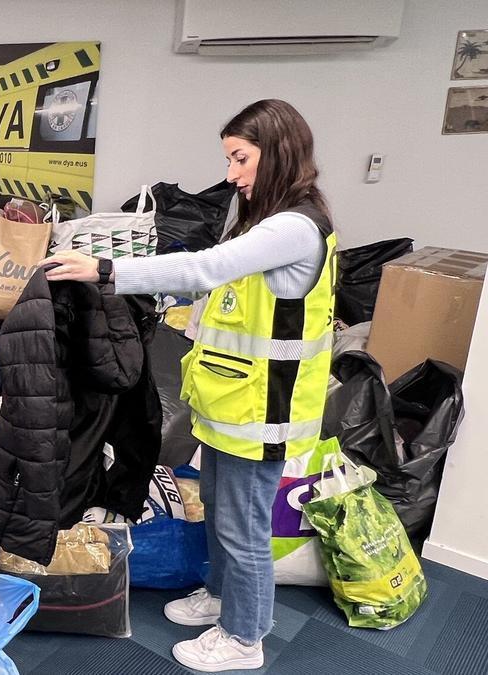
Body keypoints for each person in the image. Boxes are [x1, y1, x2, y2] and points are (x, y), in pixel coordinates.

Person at [41, 99, 336, 673]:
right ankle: (223, 600)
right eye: (229, 158)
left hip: (263, 412)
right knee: (223, 512)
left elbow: (204, 267)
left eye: (241, 158)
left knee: (243, 526)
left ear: (277, 153)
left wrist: (105, 270)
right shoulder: (261, 216)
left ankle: (244, 638)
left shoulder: (294, 228)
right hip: (233, 403)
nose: (232, 173)